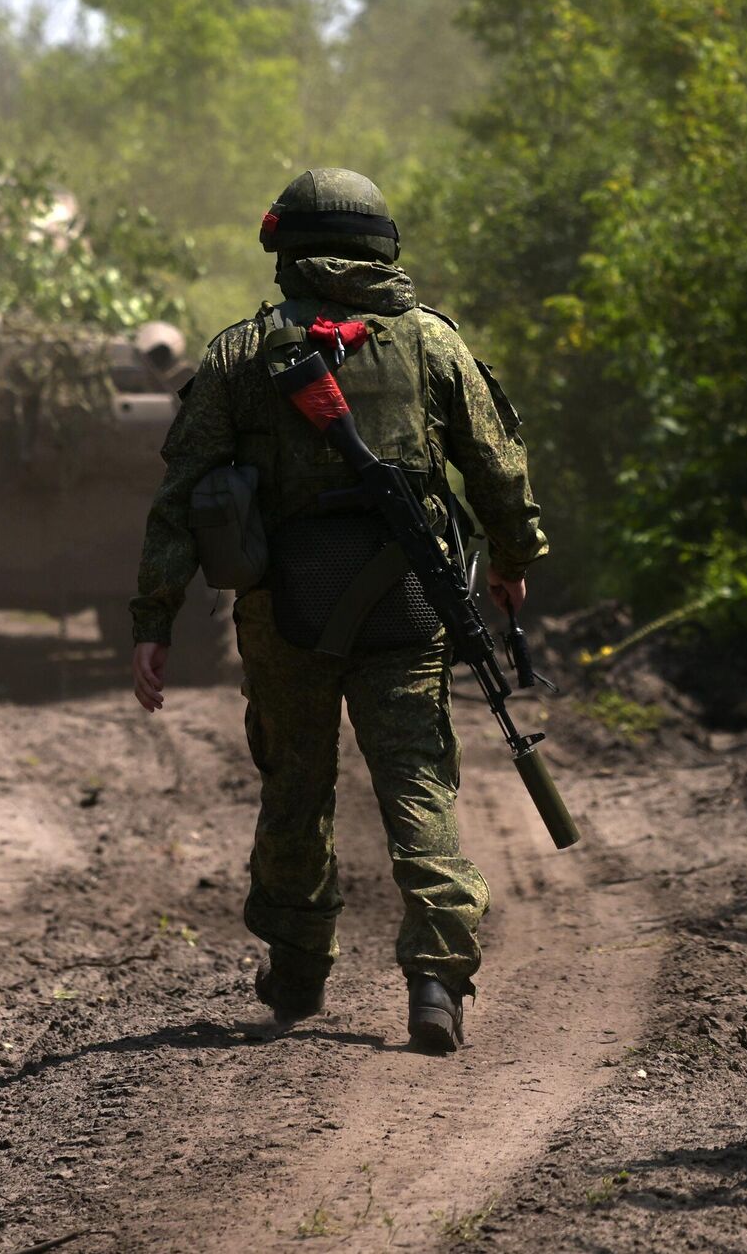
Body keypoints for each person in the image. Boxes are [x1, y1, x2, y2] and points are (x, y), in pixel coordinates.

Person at [128, 168, 548, 1053]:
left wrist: (155, 620)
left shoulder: (244, 354)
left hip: (285, 612)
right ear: (383, 246)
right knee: (418, 783)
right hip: (409, 604)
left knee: (296, 787)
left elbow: (183, 495)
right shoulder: (434, 345)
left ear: (285, 250)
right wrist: (512, 562)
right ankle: (436, 977)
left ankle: (297, 970)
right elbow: (500, 471)